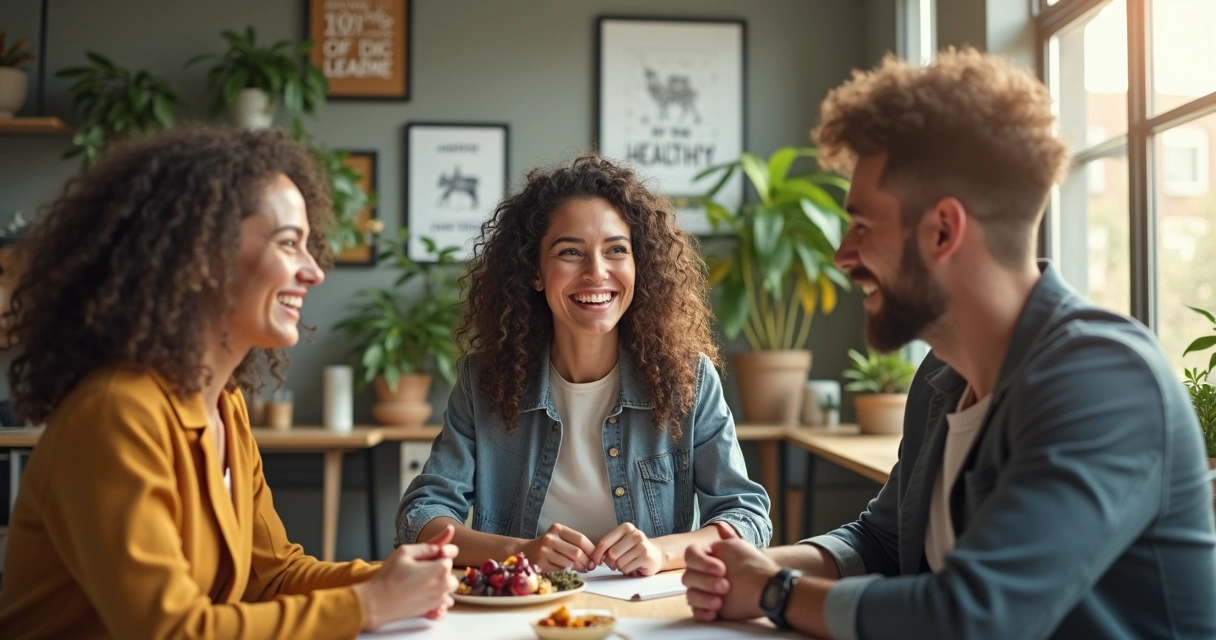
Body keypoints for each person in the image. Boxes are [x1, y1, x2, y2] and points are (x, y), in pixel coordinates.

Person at [682, 48, 1216, 639]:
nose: (843, 256)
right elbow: (883, 539)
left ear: (943, 229)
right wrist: (761, 568)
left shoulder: (1106, 379)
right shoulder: (944, 377)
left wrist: (777, 593)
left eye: (862, 224)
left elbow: (976, 616)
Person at [0, 127, 459, 639]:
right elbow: (169, 631)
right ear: (202, 254)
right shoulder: (115, 412)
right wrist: (368, 603)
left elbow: (273, 576)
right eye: (290, 243)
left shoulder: (225, 405)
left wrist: (403, 579)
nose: (314, 271)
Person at [396, 154, 771, 576]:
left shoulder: (689, 379)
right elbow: (422, 516)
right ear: (535, 271)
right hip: (526, 601)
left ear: (638, 266)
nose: (597, 272)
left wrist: (662, 552)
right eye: (570, 252)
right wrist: (520, 552)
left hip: (644, 606)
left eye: (616, 250)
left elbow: (747, 517)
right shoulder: (482, 380)